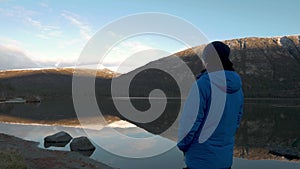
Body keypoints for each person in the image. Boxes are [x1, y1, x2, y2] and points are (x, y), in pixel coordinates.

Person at [177, 41, 244, 169]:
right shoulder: (238, 89)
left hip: (200, 161)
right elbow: (236, 121)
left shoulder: (203, 85)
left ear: (208, 59)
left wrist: (183, 145)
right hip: (225, 161)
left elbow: (190, 122)